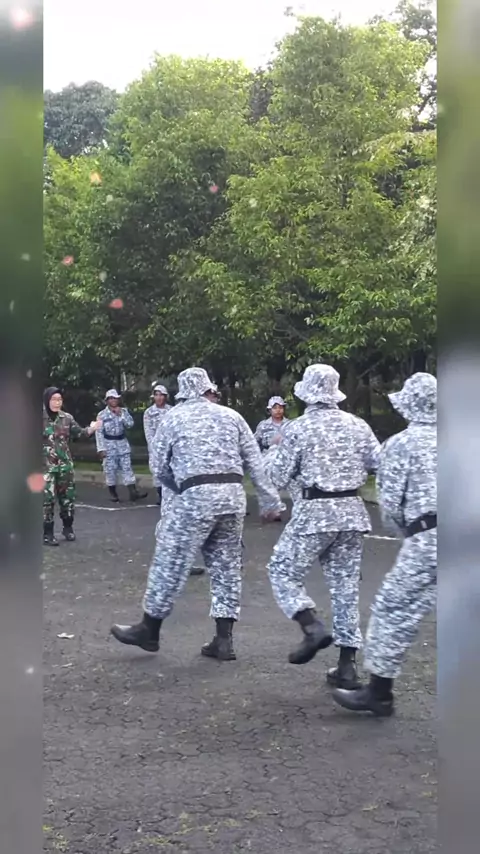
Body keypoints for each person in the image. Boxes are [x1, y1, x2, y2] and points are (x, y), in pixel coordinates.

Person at [110, 366, 283, 660]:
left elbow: (158, 467)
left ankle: (149, 629)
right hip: (232, 496)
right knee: (227, 566)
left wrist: (179, 488)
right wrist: (271, 501)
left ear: (182, 393)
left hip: (195, 494)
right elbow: (255, 462)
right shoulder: (232, 416)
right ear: (208, 389)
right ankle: (224, 640)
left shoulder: (173, 418)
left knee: (170, 558)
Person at [265, 364, 381, 688]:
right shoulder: (358, 425)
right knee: (345, 588)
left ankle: (311, 626)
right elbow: (378, 462)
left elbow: (278, 477)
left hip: (315, 511)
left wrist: (274, 450)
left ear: (307, 394)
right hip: (352, 512)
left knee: (282, 571)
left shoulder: (298, 429)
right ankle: (347, 666)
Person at [332, 373, 437, 717]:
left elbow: (390, 508)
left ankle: (379, 693)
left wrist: (410, 535)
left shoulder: (401, 444)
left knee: (394, 608)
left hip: (430, 536)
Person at [43, 387, 102, 546]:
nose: (57, 403)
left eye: (59, 400)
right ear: (47, 400)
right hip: (45, 467)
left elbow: (80, 433)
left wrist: (92, 428)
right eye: (53, 399)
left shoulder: (66, 418)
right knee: (47, 500)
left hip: (65, 466)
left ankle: (67, 528)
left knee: (67, 498)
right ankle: (48, 533)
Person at [96, 389, 147, 503]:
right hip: (109, 444)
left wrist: (122, 415)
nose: (113, 400)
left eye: (115, 398)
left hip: (122, 443)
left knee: (127, 468)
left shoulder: (124, 411)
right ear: (107, 400)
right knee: (110, 469)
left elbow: (130, 424)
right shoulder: (102, 415)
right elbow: (98, 432)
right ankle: (113, 493)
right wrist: (101, 448)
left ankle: (133, 492)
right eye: (111, 398)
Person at [143, 384, 171, 505]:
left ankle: (170, 495)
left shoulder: (172, 410)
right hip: (156, 445)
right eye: (156, 395)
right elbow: (148, 431)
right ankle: (160, 495)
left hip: (169, 444)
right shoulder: (149, 412)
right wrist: (153, 446)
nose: (159, 398)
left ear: (165, 397)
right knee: (157, 471)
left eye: (161, 395)